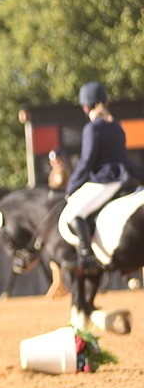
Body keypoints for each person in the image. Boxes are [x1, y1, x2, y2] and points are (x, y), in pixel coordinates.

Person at [59, 81, 144, 271]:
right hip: (122, 179)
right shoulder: (116, 126)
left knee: (75, 213)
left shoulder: (92, 128)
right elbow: (123, 157)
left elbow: (87, 161)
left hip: (104, 181)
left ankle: (87, 257)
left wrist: (72, 186)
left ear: (86, 107)